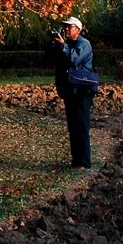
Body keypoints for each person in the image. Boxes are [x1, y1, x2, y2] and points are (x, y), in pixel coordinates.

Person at [47, 16, 94, 170]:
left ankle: (84, 162)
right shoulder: (66, 44)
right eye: (65, 27)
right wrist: (54, 44)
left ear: (78, 29)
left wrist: (62, 46)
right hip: (70, 90)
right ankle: (76, 161)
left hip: (81, 91)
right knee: (73, 126)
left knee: (81, 126)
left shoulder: (84, 44)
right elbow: (53, 59)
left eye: (70, 27)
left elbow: (74, 59)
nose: (66, 29)